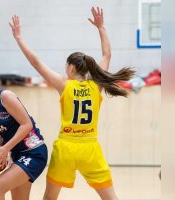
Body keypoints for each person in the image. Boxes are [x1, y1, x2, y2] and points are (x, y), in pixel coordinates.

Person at [9, 7, 135, 200]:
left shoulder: (64, 84)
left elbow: (36, 62)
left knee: (50, 197)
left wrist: (19, 38)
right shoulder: (96, 84)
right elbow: (107, 54)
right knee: (111, 198)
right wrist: (101, 28)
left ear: (71, 67)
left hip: (66, 147)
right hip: (90, 148)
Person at [0, 66, 48, 200]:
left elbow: (27, 124)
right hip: (17, 154)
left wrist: (4, 149)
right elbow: (4, 133)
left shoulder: (5, 96)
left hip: (34, 151)